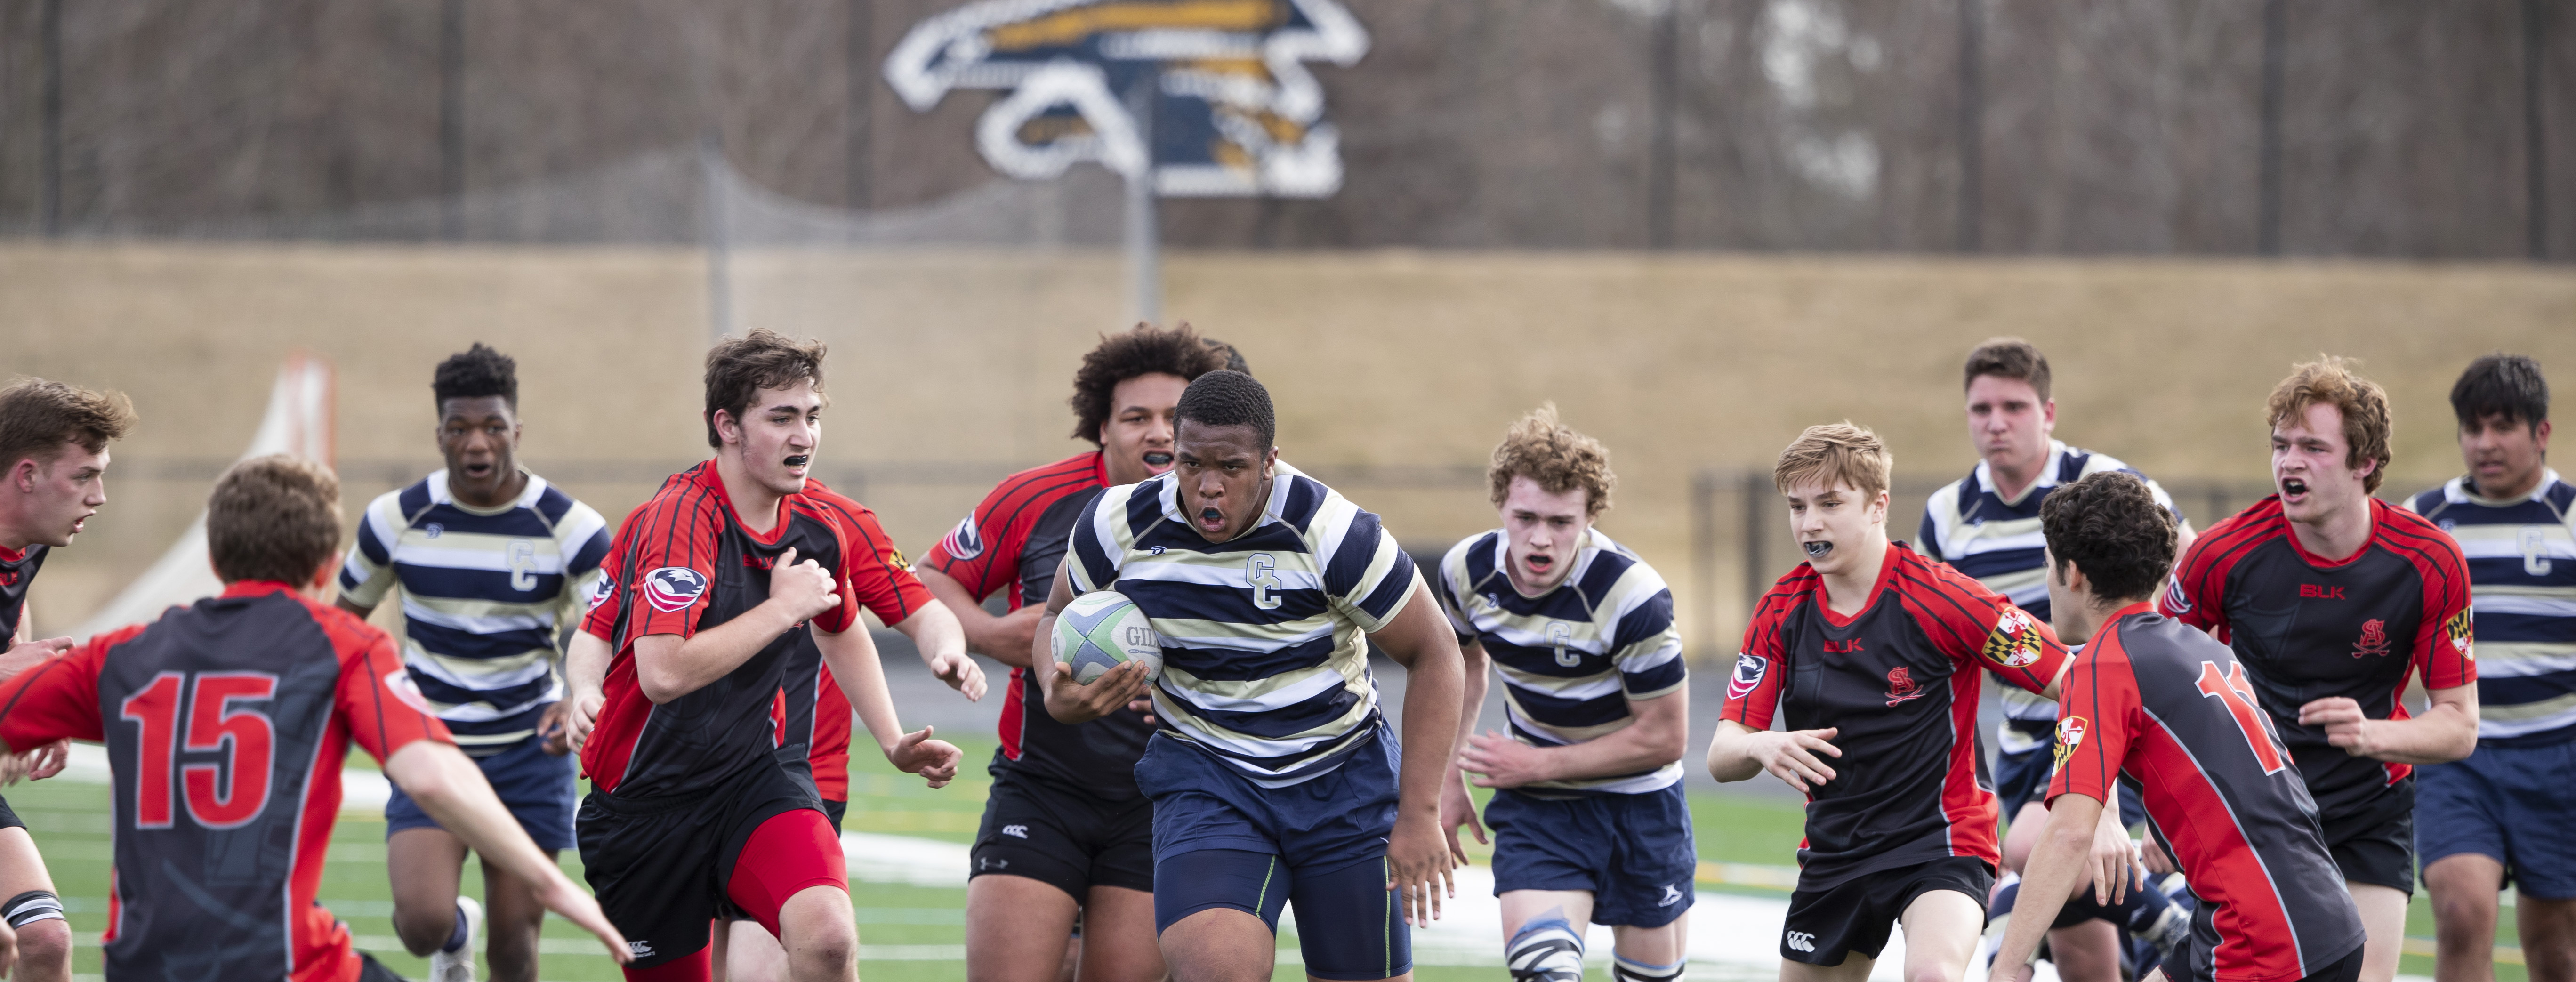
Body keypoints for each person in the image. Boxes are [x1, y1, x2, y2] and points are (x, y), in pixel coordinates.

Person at [0, 454, 630, 981]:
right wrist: (551, 883)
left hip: (144, 965)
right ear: (328, 565)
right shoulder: (342, 646)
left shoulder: (121, 655)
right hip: (287, 963)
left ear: (216, 560)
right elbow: (433, 775)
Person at [1033, 369, 1465, 982]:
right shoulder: (1118, 523)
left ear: (1269, 462)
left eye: (1231, 467)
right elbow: (1057, 612)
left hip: (1341, 780)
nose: (1208, 486)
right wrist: (1059, 690)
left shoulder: (1332, 531)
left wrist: (1419, 811)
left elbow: (1436, 651)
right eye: (1190, 464)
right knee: (1217, 969)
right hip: (1208, 780)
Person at [575, 330, 963, 982]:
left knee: (828, 937)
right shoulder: (678, 519)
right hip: (643, 806)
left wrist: (893, 738)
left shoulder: (821, 526)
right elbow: (662, 672)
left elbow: (842, 627)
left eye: (811, 417)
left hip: (756, 779)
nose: (804, 436)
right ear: (725, 426)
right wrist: (781, 608)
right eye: (781, 417)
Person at [1707, 422, 2088, 982]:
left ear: (1878, 505)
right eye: (1797, 506)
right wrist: (1760, 744)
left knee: (1932, 973)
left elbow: (2080, 681)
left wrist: (2095, 804)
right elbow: (1722, 753)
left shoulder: (1944, 597)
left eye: (1831, 503)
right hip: (1836, 853)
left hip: (1942, 842)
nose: (1810, 523)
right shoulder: (1781, 611)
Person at [912, 322, 1228, 982]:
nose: (1159, 433)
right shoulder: (1035, 498)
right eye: (1136, 417)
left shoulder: (1228, 512)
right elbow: (929, 577)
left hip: (1161, 797)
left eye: (1176, 417)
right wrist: (988, 630)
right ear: (1102, 427)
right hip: (1042, 788)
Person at [2161, 356, 2477, 982]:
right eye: (2281, 445)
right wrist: (2154, 805)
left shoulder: (2430, 561)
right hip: (2258, 808)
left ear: (2366, 463)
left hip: (2368, 809)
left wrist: (2371, 734)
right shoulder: (2223, 555)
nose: (2289, 462)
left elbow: (2459, 726)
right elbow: (2148, 677)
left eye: (2312, 446)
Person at [1992, 470, 2365, 982]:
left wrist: (2007, 966)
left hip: (2262, 938)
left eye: (2048, 565)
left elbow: (2066, 835)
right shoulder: (2202, 647)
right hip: (2317, 915)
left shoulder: (2103, 665)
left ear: (2072, 573)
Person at [335, 344, 613, 982]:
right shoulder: (396, 518)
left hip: (528, 751)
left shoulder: (569, 527)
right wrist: (372, 699)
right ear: (440, 436)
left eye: (492, 427)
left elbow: (608, 636)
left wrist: (578, 696)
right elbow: (344, 621)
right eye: (459, 429)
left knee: (514, 950)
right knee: (420, 924)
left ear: (516, 430)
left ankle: (483, 938)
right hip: (427, 745)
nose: (477, 443)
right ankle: (455, 931)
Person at [1915, 338, 2190, 980]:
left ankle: (2162, 922)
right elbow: (1935, 638)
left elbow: (2190, 576)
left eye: (2014, 405)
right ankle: (2159, 921)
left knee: (2034, 854)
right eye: (1981, 408)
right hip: (2027, 741)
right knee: (2078, 952)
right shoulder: (1948, 516)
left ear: (2049, 412)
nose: (1996, 421)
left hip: (2121, 724)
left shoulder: (2107, 483)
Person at [1433, 405, 1691, 982]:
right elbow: (1462, 667)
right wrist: (1448, 777)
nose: (1541, 539)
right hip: (1540, 808)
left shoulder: (1632, 596)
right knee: (1543, 971)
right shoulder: (1465, 573)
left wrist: (1534, 762)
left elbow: (1667, 736)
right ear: (1501, 503)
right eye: (1525, 517)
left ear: (1591, 517)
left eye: (1561, 522)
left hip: (1642, 807)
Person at [2405, 354, 2575, 982]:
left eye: (2503, 426)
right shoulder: (2423, 520)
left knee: (2558, 950)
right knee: (2460, 908)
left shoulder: (2570, 517)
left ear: (2541, 433)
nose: (2486, 444)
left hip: (2561, 755)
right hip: (2458, 755)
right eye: (2473, 429)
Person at [0, 377, 133, 982]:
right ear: (27, 475)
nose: (99, 497)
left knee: (45, 940)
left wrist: (28, 705)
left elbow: (13, 613)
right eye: (84, 476)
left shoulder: (27, 541)